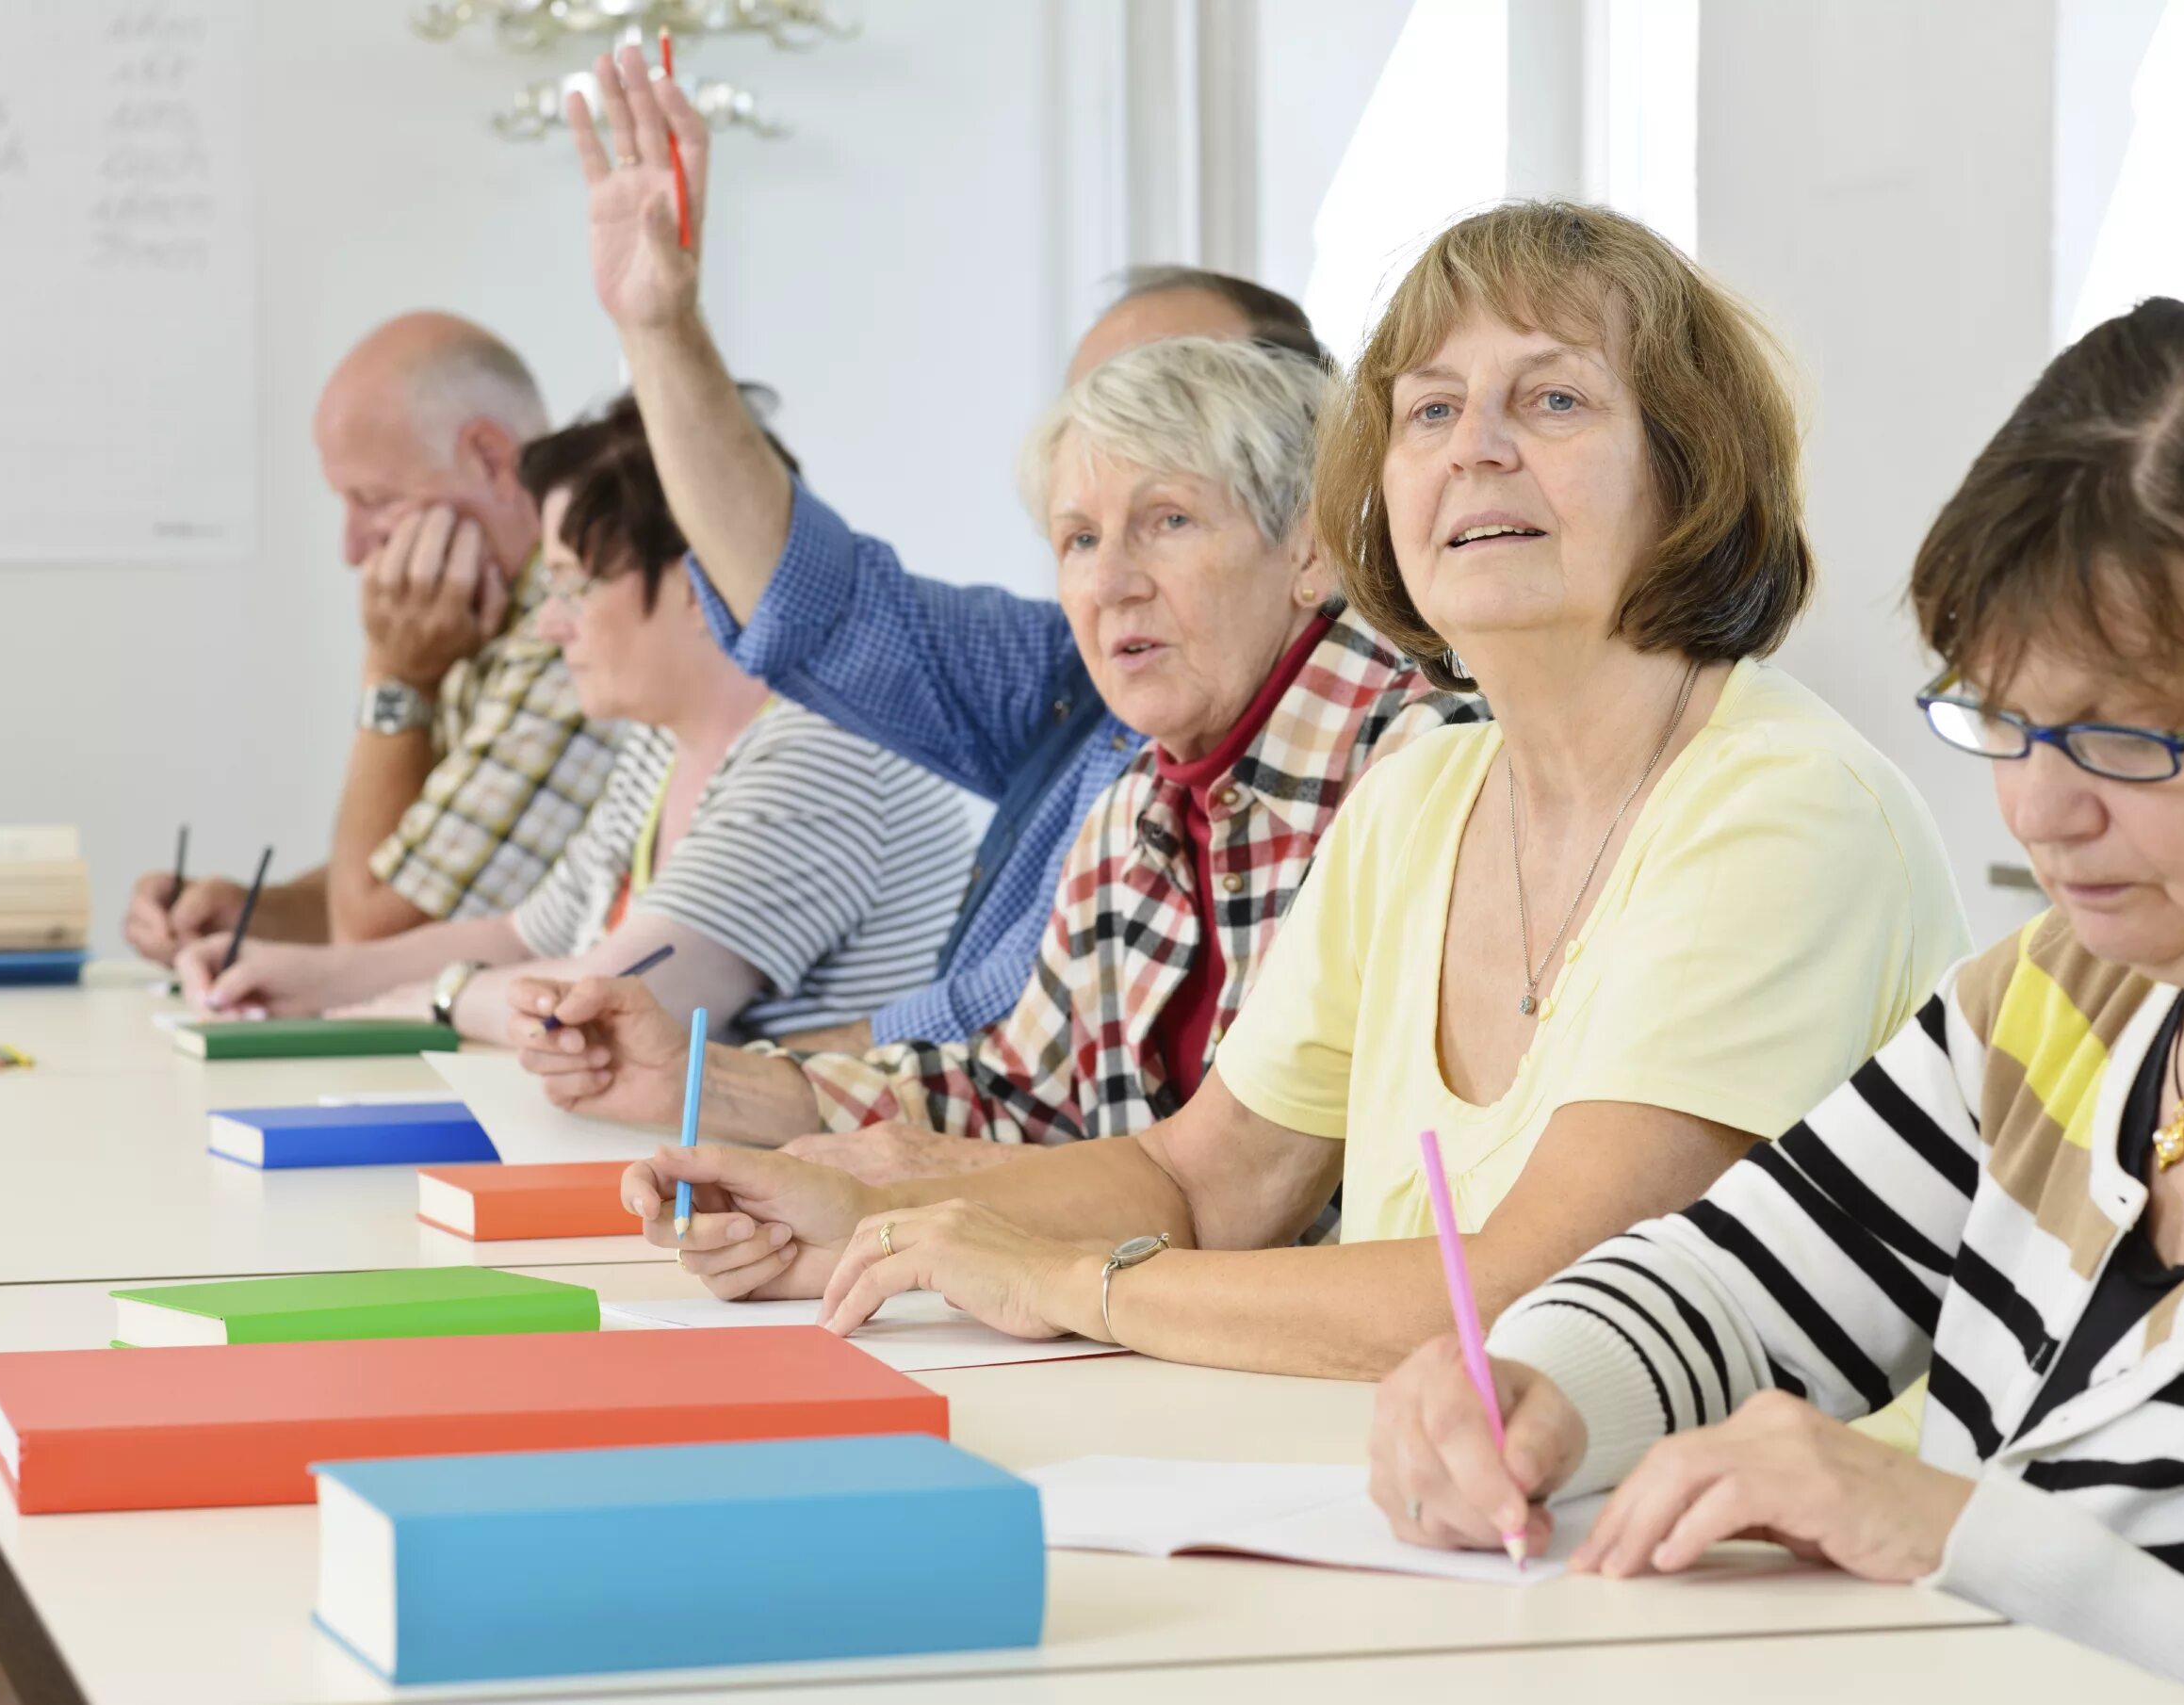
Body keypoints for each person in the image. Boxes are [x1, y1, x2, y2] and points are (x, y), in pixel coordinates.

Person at [578, 203, 1970, 1384]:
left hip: (1755, 1587)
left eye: (1548, 398)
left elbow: (1533, 1300)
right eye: (1428, 409)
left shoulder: (1777, 805)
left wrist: (1074, 1279)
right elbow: (1202, 1177)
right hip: (1461, 1514)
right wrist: (862, 1209)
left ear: (1689, 473)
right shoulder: (1427, 792)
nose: (1473, 446)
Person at [1367, 300, 2184, 1700]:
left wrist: (1965, 1539)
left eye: (2124, 738)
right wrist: (1537, 1389)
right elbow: (1737, 1284)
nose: (2039, 809)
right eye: (2002, 719)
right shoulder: (2072, 997)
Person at [516, 331, 1480, 1177]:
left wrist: (928, 1210)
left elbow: (1257, 1201)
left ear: (1310, 553)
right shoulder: (1137, 798)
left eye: (1169, 520)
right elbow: (1013, 1098)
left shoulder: (1426, 771)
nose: (1110, 584)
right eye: (1078, 539)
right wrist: (695, 1080)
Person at [562, 44, 1328, 1050]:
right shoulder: (1075, 669)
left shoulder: (1375, 741)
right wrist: (657, 329)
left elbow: (1036, 1069)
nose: (1112, 568)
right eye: (1090, 425)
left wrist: (763, 1080)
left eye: (1175, 412)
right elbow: (816, 605)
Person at [176, 395, 970, 1047]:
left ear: (701, 581)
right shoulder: (666, 741)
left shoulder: (820, 753)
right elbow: (526, 938)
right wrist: (301, 976)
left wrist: (442, 996)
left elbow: (603, 1013)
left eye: (573, 586)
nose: (551, 624)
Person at [123, 313, 620, 956]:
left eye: (375, 499)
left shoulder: (575, 633)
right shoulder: (486, 616)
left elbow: (377, 940)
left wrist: (394, 674)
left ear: (491, 460)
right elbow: (426, 876)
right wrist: (245, 914)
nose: (352, 548)